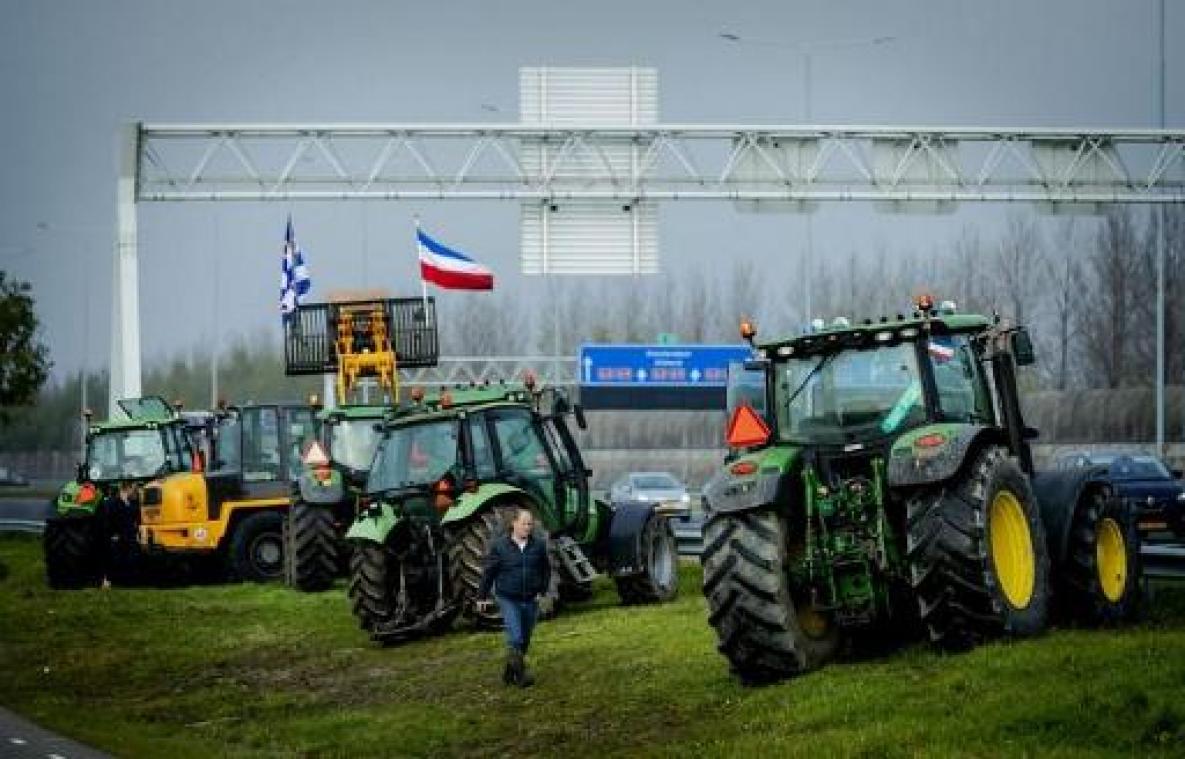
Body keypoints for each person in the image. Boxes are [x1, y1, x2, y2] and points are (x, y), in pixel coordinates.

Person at [476, 507, 550, 687]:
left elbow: (545, 570)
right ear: (514, 524)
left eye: (530, 524)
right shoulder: (500, 546)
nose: (528, 527)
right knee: (515, 638)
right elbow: (489, 573)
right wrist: (482, 596)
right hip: (509, 598)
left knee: (524, 640)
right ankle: (522, 677)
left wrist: (542, 590)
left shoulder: (538, 545)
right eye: (524, 523)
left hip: (531, 599)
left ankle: (509, 673)